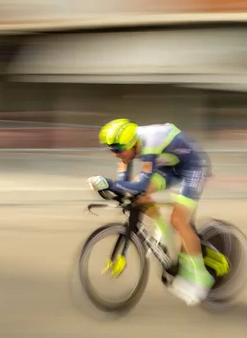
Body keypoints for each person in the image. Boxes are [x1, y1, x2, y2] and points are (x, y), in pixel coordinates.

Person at [87, 118, 213, 306]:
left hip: (193, 166)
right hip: (170, 165)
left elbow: (140, 184)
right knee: (140, 195)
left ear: (132, 144)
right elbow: (126, 181)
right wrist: (111, 187)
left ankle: (202, 278)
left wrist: (110, 183)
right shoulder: (128, 148)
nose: (115, 154)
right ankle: (164, 230)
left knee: (179, 220)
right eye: (111, 150)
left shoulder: (150, 141)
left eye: (118, 150)